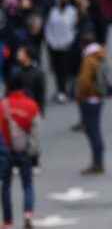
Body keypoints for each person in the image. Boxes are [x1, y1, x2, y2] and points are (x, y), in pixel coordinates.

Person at [0, 73, 41, 229]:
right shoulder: (31, 105)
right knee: (28, 184)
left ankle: (8, 222)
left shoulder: (3, 105)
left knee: (6, 186)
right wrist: (34, 152)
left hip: (5, 152)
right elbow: (36, 132)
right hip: (24, 151)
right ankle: (28, 214)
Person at [75, 41, 110, 175]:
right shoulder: (99, 58)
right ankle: (98, 162)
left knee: (93, 132)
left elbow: (84, 81)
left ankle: (97, 164)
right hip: (98, 99)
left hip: (89, 99)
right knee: (95, 130)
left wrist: (80, 95)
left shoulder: (88, 61)